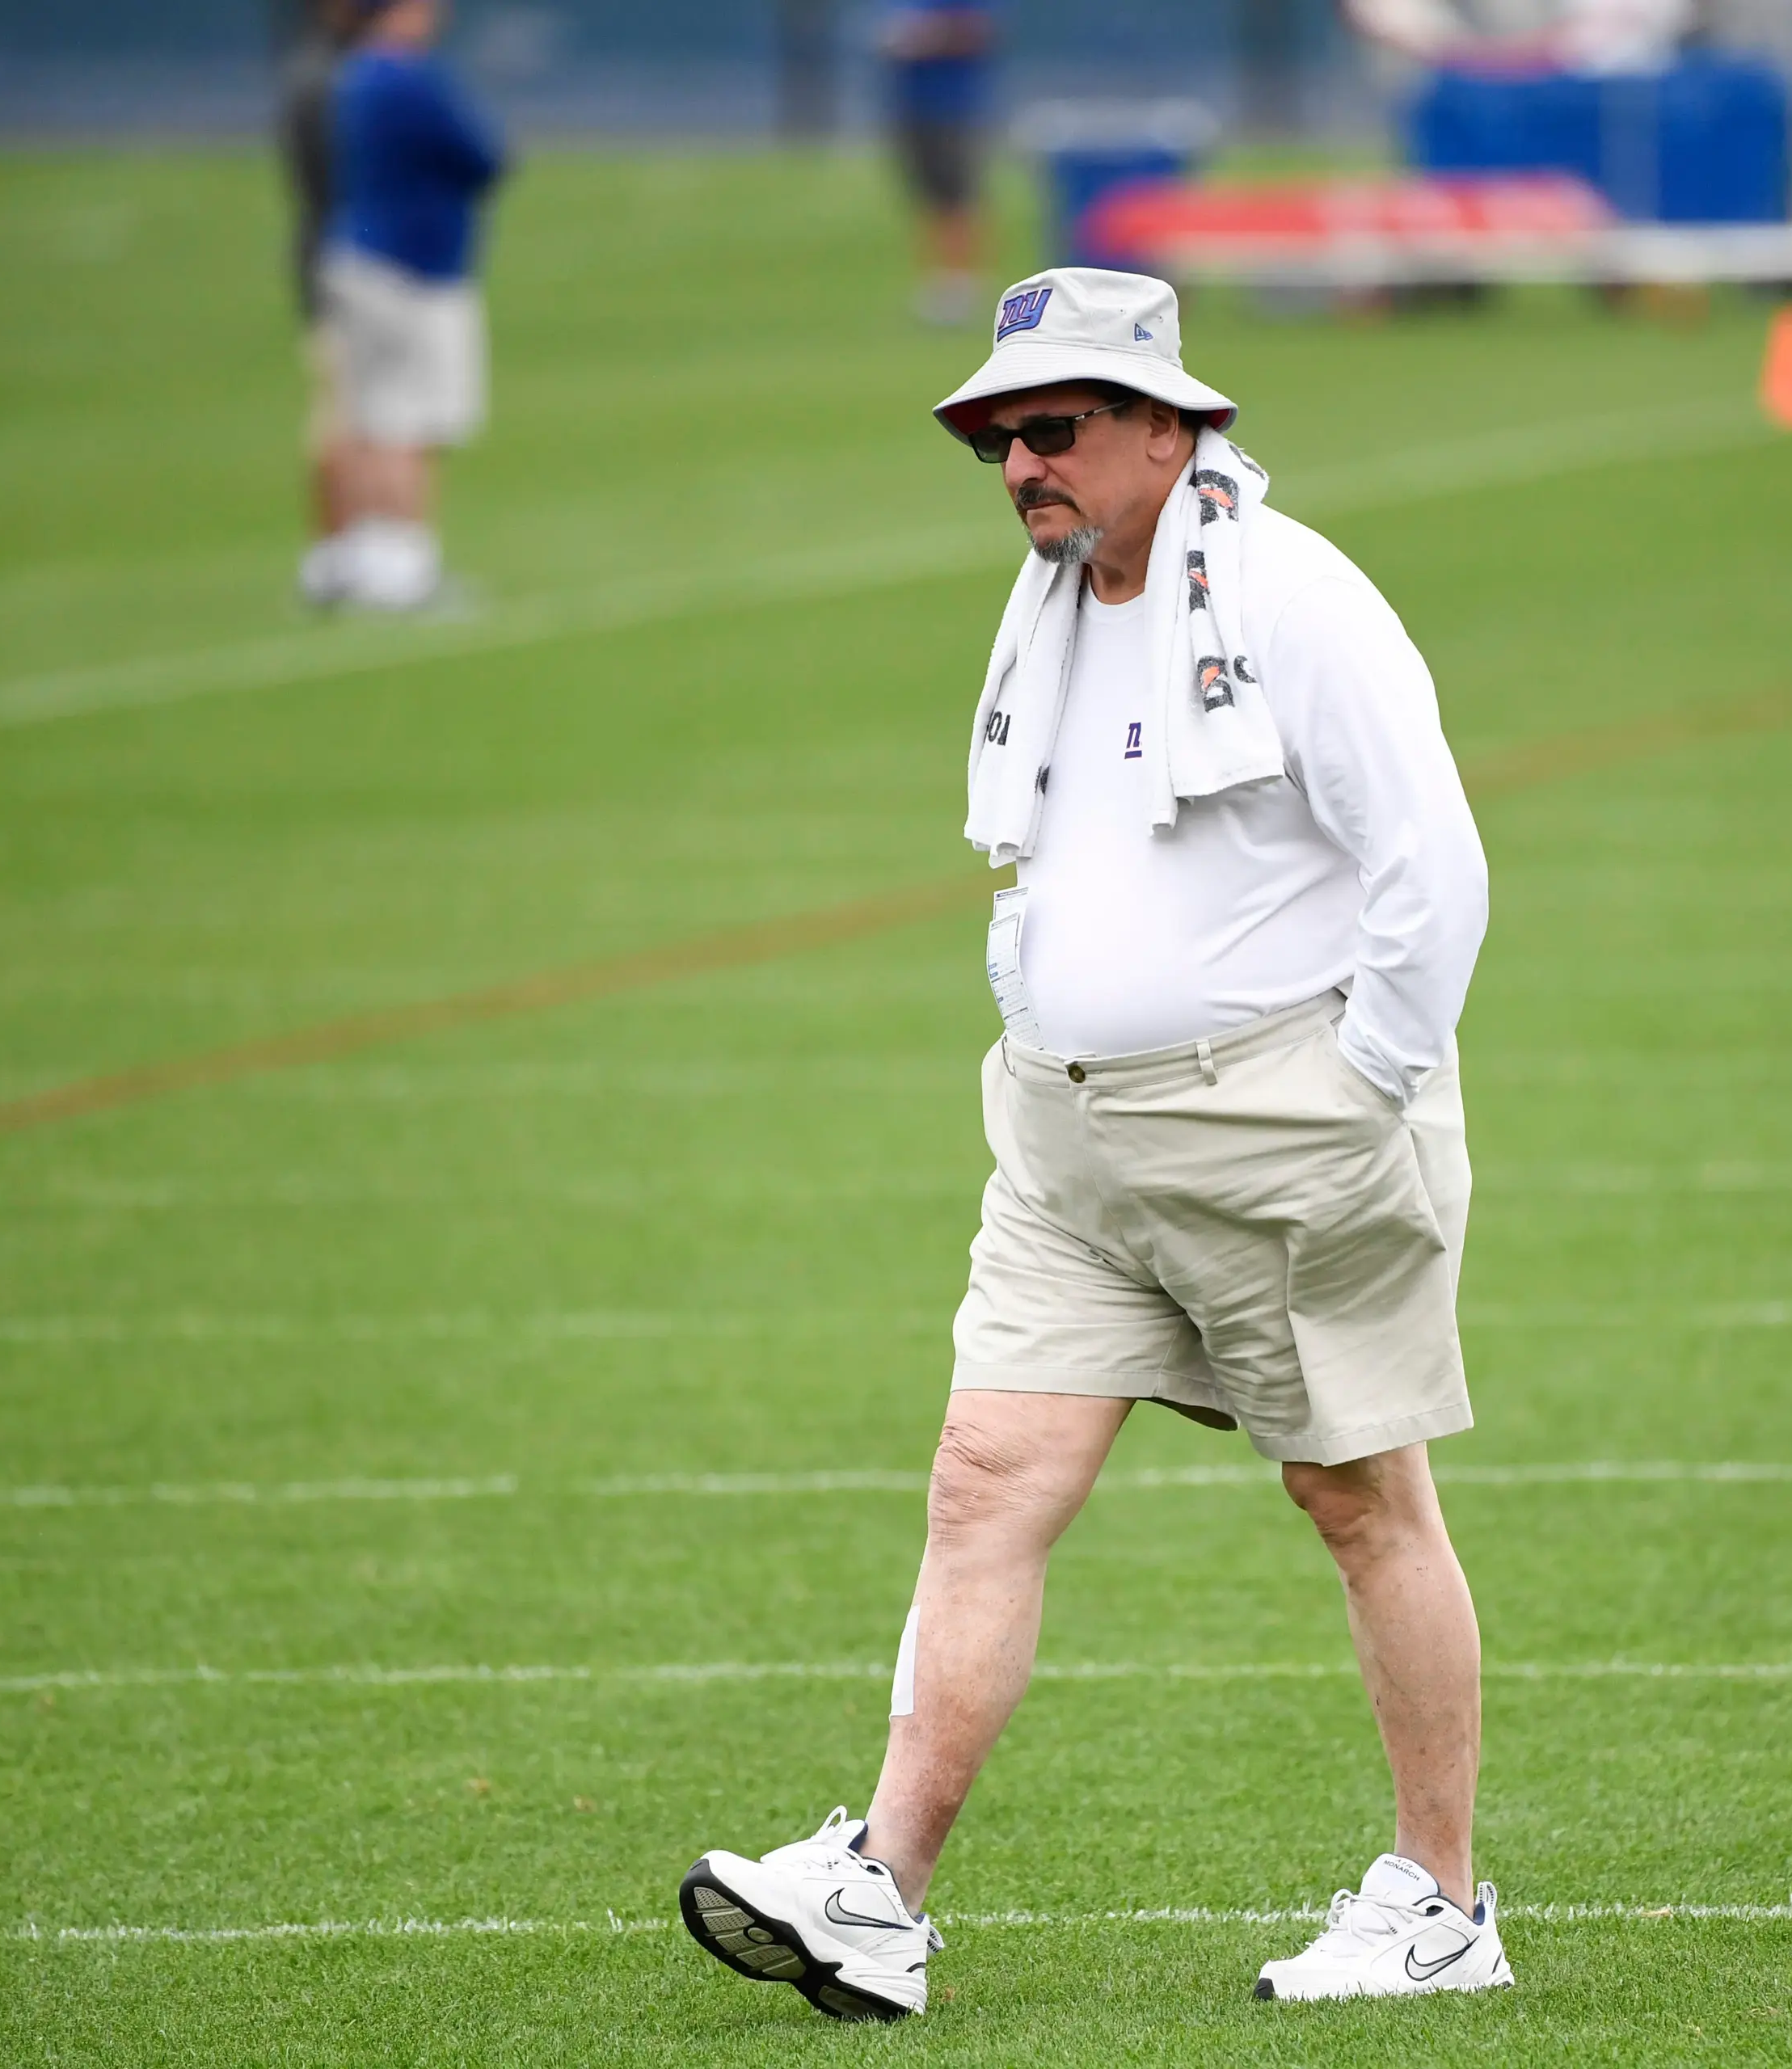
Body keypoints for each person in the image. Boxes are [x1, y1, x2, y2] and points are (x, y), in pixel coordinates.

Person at [677, 269, 1504, 2021]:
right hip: (1065, 1137)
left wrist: (1366, 1087)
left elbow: (1435, 862)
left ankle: (1443, 1897)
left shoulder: (1295, 595)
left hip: (1283, 1125)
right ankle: (880, 1885)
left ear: (1165, 425)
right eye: (995, 434)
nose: (1019, 465)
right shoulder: (1052, 596)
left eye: (1053, 429)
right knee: (984, 1479)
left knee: (1359, 1500)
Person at [305, 0, 508, 612]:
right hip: (411, 268)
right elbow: (484, 156)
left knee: (365, 415)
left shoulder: (354, 74)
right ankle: (403, 566)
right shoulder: (406, 78)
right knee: (406, 422)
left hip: (359, 256)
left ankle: (357, 557)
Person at [278, 0, 356, 563]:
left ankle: (347, 549)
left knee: (351, 413)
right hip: (343, 266)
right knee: (345, 415)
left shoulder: (323, 71)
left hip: (333, 258)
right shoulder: (325, 79)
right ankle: (335, 552)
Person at [879, 0, 996, 327]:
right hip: (912, 102)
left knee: (956, 194)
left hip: (953, 105)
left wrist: (928, 36)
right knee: (926, 195)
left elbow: (981, 31)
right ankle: (936, 281)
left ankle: (962, 285)